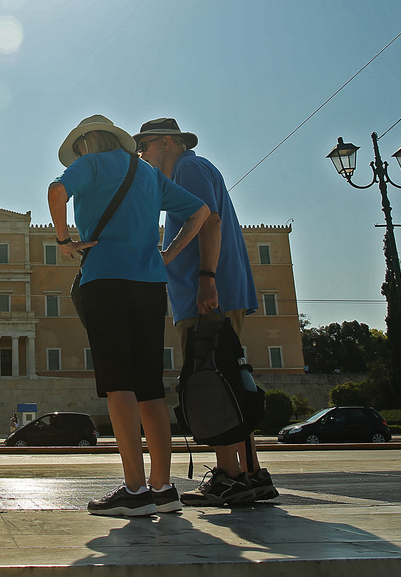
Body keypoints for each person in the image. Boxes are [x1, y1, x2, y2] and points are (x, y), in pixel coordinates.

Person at [48, 115, 209, 517]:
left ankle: (134, 490)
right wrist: (168, 254)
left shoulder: (89, 164)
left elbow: (56, 190)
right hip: (151, 285)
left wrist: (64, 241)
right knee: (151, 387)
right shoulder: (146, 172)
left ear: (86, 142)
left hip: (105, 280)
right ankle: (164, 488)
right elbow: (201, 211)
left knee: (119, 385)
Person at [134, 117, 278, 506]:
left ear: (167, 142)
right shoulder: (194, 168)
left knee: (211, 383)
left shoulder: (187, 167)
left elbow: (209, 222)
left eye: (144, 146)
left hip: (207, 294)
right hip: (215, 291)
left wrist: (204, 278)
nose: (142, 155)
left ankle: (228, 477)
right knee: (229, 379)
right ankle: (250, 473)